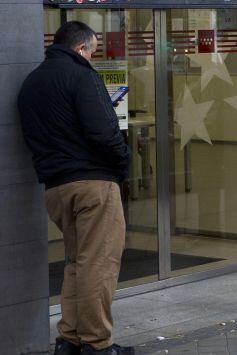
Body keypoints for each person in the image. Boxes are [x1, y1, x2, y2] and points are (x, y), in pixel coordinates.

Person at [18, 21, 133, 355]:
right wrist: (123, 162)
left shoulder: (32, 83)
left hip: (56, 188)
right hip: (93, 185)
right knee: (99, 264)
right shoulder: (82, 76)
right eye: (92, 50)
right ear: (81, 48)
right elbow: (103, 130)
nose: (92, 57)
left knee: (77, 263)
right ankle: (98, 344)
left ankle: (69, 339)